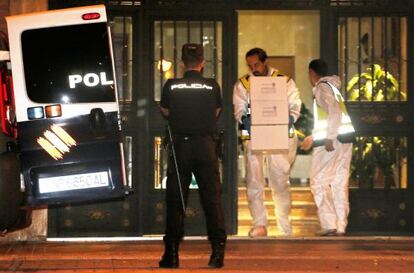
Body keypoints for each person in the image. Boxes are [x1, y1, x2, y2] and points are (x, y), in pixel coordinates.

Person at [159, 43, 226, 268]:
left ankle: (172, 254)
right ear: (202, 63)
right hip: (206, 147)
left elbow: (165, 111)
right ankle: (217, 253)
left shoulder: (172, 86)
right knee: (212, 200)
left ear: (181, 63)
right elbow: (216, 112)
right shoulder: (212, 86)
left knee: (176, 201)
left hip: (181, 149)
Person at [233, 48, 301, 237]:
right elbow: (238, 108)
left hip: (279, 136)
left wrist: (291, 117)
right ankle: (260, 224)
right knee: (254, 182)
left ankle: (284, 226)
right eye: (250, 65)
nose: (253, 68)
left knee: (280, 181)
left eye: (256, 64)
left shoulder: (284, 81)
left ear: (265, 62)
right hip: (253, 137)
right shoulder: (243, 84)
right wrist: (243, 118)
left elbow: (295, 103)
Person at [300, 59, 355, 236]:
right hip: (345, 140)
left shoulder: (322, 88)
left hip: (331, 142)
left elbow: (334, 112)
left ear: (311, 73)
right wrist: (314, 136)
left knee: (317, 181)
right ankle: (340, 225)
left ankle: (329, 222)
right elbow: (333, 115)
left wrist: (329, 137)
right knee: (339, 182)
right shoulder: (333, 88)